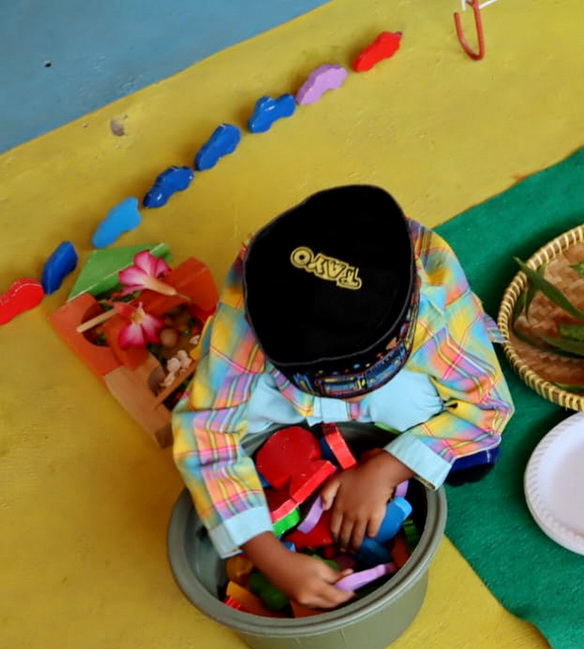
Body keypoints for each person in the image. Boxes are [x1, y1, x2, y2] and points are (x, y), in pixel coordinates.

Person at [173, 184, 514, 611]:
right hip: (284, 390)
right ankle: (310, 440)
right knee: (222, 439)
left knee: (473, 454)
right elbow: (206, 428)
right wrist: (269, 554)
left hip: (398, 386)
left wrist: (387, 469)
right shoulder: (255, 303)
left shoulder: (431, 300)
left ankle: (379, 436)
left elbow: (488, 405)